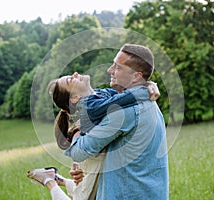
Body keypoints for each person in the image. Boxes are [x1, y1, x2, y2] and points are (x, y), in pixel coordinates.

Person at [27, 69, 160, 199]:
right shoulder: (88, 116)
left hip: (97, 181)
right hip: (93, 181)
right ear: (75, 97)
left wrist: (147, 84)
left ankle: (58, 179)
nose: (75, 74)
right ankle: (50, 181)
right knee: (81, 194)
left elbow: (123, 95)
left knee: (82, 189)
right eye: (70, 80)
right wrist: (145, 88)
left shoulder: (101, 96)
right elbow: (125, 99)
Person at [65, 44, 169, 199]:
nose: (110, 70)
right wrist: (86, 168)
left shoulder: (124, 112)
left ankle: (50, 180)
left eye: (118, 67)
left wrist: (76, 132)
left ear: (136, 76)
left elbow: (78, 152)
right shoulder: (147, 99)